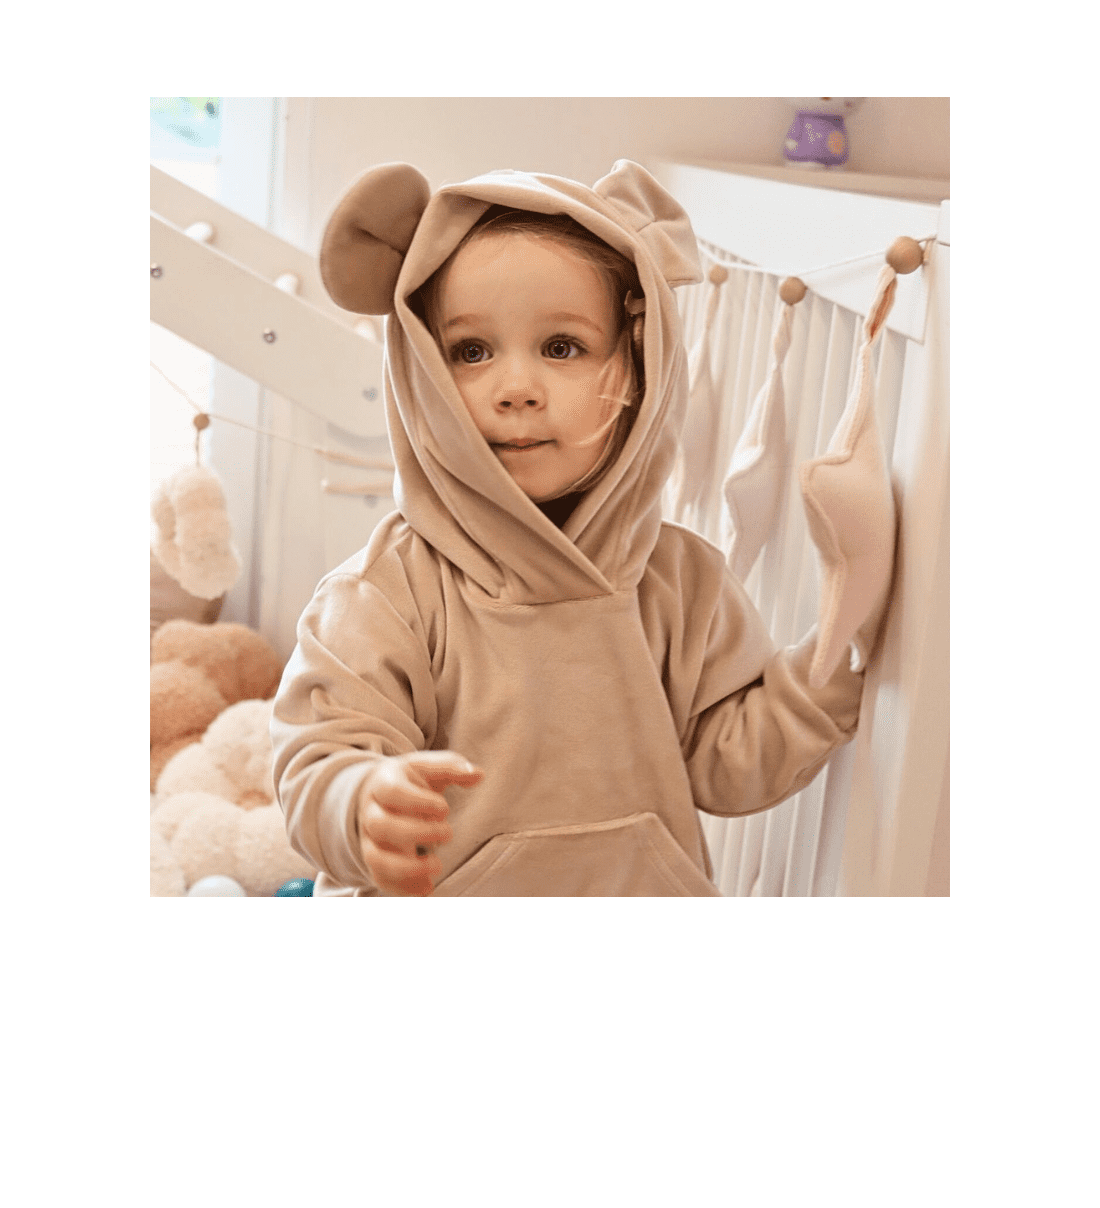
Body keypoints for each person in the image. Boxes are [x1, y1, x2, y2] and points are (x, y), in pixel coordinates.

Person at [269, 160, 865, 896]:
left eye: (561, 347)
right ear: (420, 372)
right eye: (471, 351)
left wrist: (829, 671)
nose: (516, 389)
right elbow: (318, 754)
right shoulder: (384, 594)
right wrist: (359, 800)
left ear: (638, 370)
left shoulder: (681, 582)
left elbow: (726, 761)